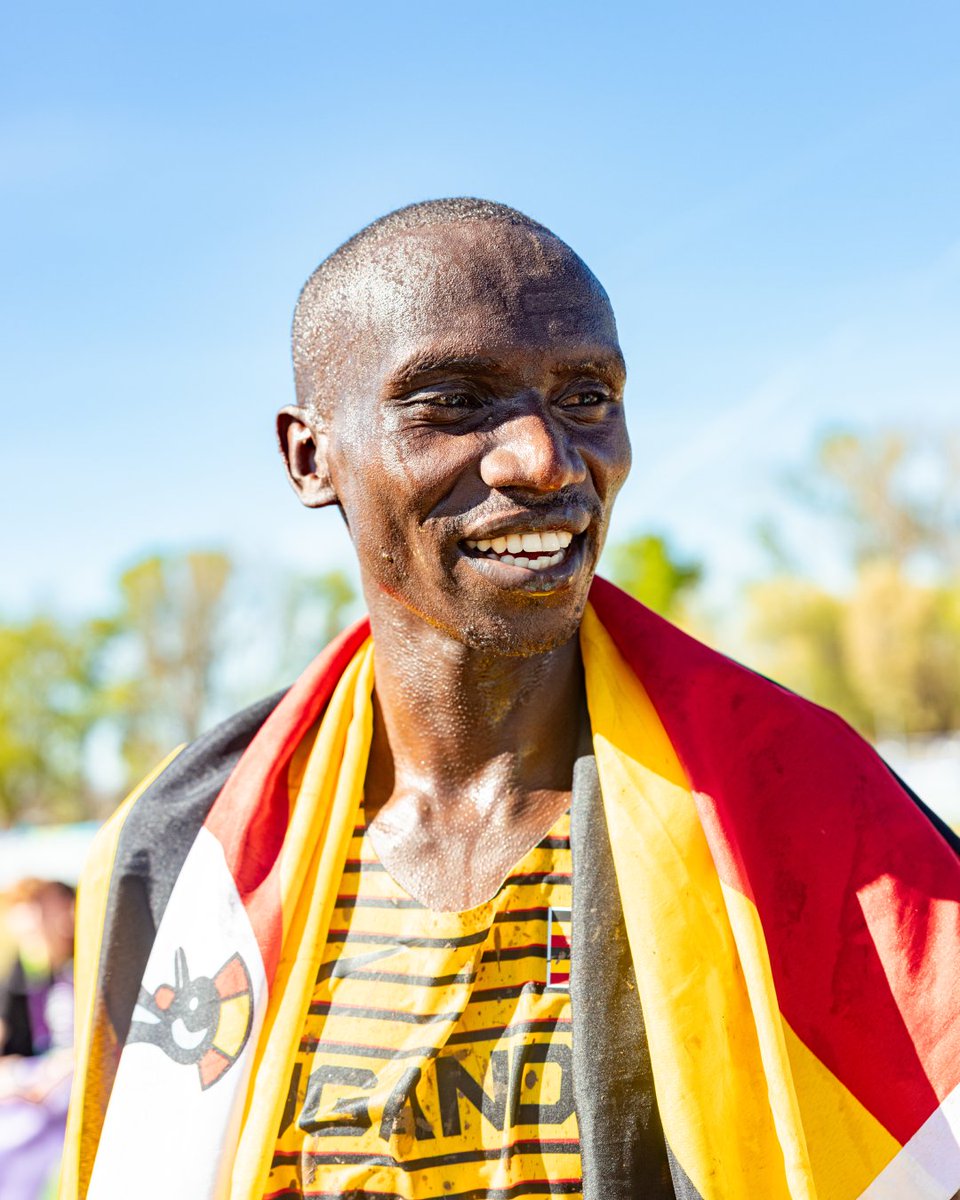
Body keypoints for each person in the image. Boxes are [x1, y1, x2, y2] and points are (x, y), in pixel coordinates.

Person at [61, 200, 960, 1200]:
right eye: (453, 400)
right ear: (309, 457)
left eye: (586, 396)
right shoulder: (181, 858)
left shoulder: (815, 816)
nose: (545, 459)